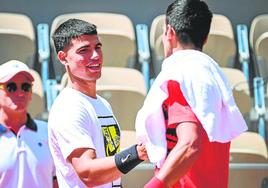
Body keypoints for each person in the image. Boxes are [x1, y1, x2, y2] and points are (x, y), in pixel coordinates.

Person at [135, 0, 248, 187]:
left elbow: (190, 145)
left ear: (169, 32)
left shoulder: (180, 75)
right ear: (205, 39)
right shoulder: (211, 75)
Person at [47, 18, 147, 188]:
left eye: (97, 47)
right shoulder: (69, 107)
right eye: (84, 50)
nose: (95, 56)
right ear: (63, 58)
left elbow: (110, 176)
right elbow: (87, 173)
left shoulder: (101, 103)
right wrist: (138, 153)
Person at [0, 60, 57, 188]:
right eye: (11, 87)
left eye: (26, 87)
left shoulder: (49, 132)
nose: (20, 93)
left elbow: (56, 181)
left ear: (31, 93)